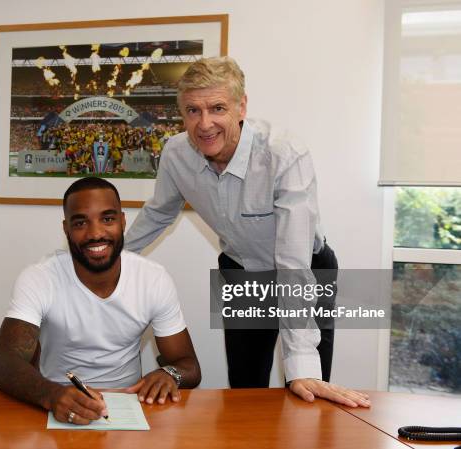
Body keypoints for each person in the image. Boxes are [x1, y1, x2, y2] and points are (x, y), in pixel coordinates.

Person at [125, 56, 370, 408]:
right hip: (243, 271)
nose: (205, 124)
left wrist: (299, 362)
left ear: (242, 106)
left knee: (307, 389)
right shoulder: (176, 154)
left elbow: (291, 262)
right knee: (245, 389)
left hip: (304, 269)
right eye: (193, 111)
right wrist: (103, 255)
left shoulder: (284, 154)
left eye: (217, 108)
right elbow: (158, 214)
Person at [0, 177, 201, 425]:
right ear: (66, 229)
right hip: (56, 401)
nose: (96, 233)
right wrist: (51, 395)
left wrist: (170, 374)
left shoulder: (153, 279)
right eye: (80, 222)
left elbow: (190, 366)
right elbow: (4, 365)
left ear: (123, 221)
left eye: (108, 219)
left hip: (131, 405)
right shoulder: (39, 278)